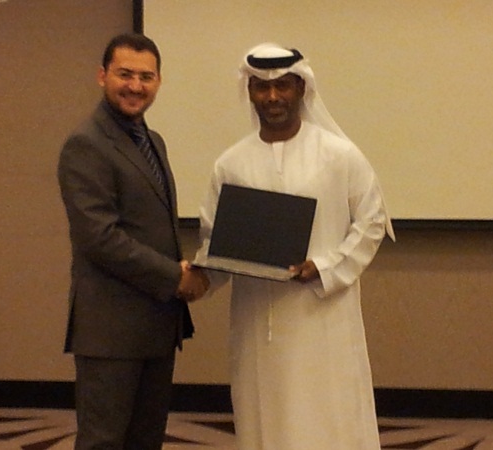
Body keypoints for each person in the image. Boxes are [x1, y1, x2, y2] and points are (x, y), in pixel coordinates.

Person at [196, 43, 395, 450]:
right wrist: (194, 277)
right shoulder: (231, 164)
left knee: (328, 419)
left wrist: (325, 267)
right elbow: (216, 241)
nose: (272, 97)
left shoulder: (340, 155)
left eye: (283, 86)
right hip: (258, 324)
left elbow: (372, 221)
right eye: (261, 87)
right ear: (249, 91)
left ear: (301, 88)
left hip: (323, 318)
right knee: (265, 417)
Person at [57, 33, 209, 450]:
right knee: (103, 442)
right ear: (102, 76)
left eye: (146, 77)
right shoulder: (86, 144)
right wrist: (173, 277)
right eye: (125, 74)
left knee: (145, 441)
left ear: (159, 81)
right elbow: (99, 238)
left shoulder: (152, 141)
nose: (135, 86)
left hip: (155, 324)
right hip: (110, 332)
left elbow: (150, 226)